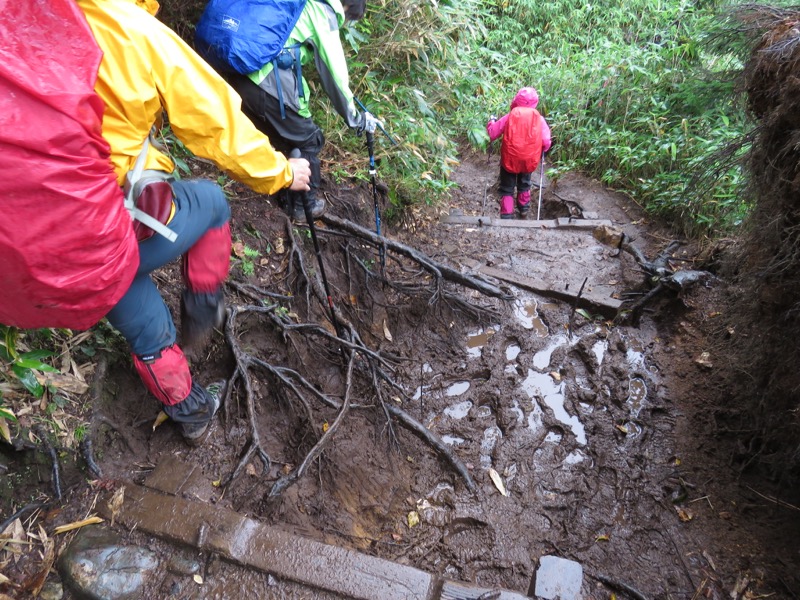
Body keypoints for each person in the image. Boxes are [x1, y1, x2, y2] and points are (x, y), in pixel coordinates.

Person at [75, 0, 312, 445]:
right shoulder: (129, 28)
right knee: (212, 202)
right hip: (105, 228)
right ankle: (202, 316)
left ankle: (190, 410)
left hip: (42, 250)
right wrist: (282, 172)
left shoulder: (24, 21)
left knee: (118, 280)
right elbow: (215, 120)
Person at [217, 0, 377, 221]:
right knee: (308, 140)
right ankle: (303, 206)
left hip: (238, 71)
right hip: (264, 79)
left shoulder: (298, 4)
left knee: (284, 137)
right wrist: (356, 118)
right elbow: (335, 74)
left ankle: (284, 190)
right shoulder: (323, 11)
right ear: (347, 8)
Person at [487, 87, 552, 219]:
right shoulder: (538, 118)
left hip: (510, 159)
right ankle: (523, 210)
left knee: (507, 187)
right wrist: (543, 149)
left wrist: (491, 122)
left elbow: (492, 134)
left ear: (517, 100)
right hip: (529, 159)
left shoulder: (511, 115)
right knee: (525, 184)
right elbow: (546, 141)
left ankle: (506, 215)